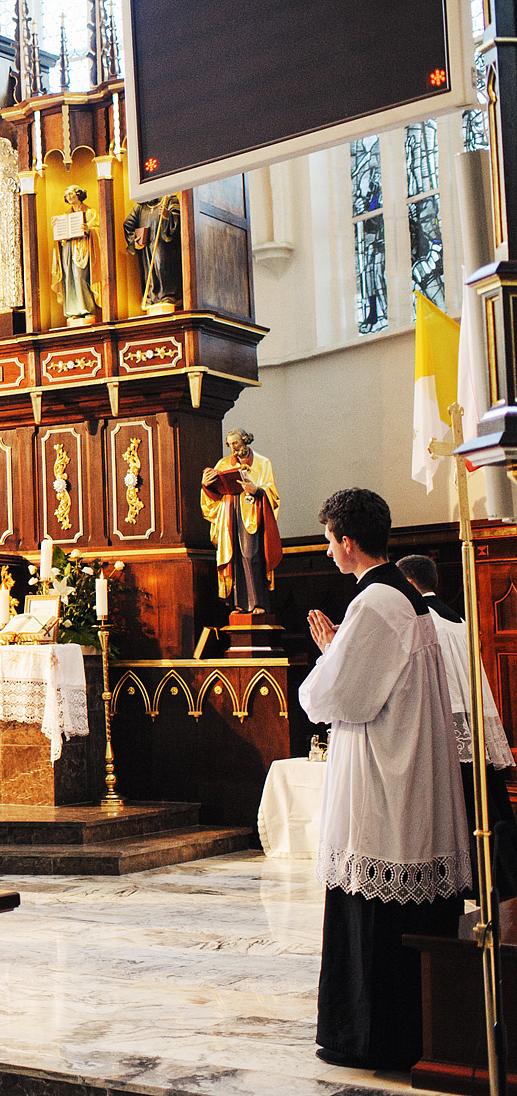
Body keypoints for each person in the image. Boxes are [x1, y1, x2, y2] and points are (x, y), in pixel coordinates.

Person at [300, 489, 471, 1070]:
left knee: (373, 906)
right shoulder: (402, 596)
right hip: (401, 765)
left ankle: (370, 1037)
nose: (325, 552)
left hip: (381, 780)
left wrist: (326, 659)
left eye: (327, 540)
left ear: (348, 541)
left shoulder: (374, 602)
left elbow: (333, 696)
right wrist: (338, 653)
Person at [396, 553, 517, 899]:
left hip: (448, 725)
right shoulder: (459, 620)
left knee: (467, 817)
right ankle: (504, 882)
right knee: (488, 807)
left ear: (408, 584)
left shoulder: (425, 621)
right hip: (472, 723)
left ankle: (487, 886)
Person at [200, 428, 282, 614]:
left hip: (252, 515)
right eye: (230, 445)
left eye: (236, 443)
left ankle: (258, 603)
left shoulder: (262, 463)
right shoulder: (222, 464)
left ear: (245, 440)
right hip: (229, 515)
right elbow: (212, 499)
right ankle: (237, 604)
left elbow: (273, 495)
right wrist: (206, 486)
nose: (233, 448)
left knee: (250, 556)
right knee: (234, 557)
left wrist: (256, 490)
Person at [51, 186, 100, 324]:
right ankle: (73, 312)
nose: (69, 196)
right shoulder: (65, 216)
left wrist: (89, 230)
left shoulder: (90, 212)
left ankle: (87, 309)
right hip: (69, 250)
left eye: (71, 193)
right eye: (66, 194)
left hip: (83, 249)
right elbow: (60, 240)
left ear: (79, 194)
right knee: (69, 279)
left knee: (80, 277)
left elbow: (98, 230)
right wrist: (58, 232)